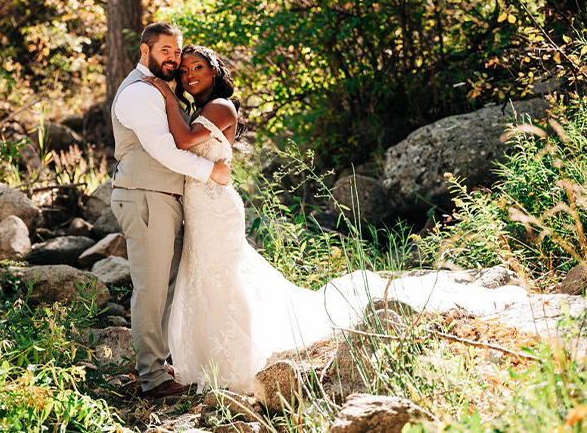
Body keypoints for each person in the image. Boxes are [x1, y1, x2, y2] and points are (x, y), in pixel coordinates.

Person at [143, 45, 535, 394]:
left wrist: (162, 91)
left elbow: (180, 142)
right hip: (199, 203)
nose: (189, 76)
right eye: (183, 72)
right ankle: (203, 361)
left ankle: (237, 359)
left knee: (221, 277)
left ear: (214, 72)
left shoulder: (220, 106)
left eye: (197, 68)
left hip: (216, 207)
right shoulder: (197, 109)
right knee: (200, 277)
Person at [109, 23, 232, 399]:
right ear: (145, 51)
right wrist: (210, 171)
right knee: (150, 288)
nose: (174, 59)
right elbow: (165, 151)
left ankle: (159, 364)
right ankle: (152, 378)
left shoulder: (162, 91)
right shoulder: (139, 93)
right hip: (145, 195)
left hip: (166, 198)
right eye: (166, 51)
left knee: (167, 286)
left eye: (176, 53)